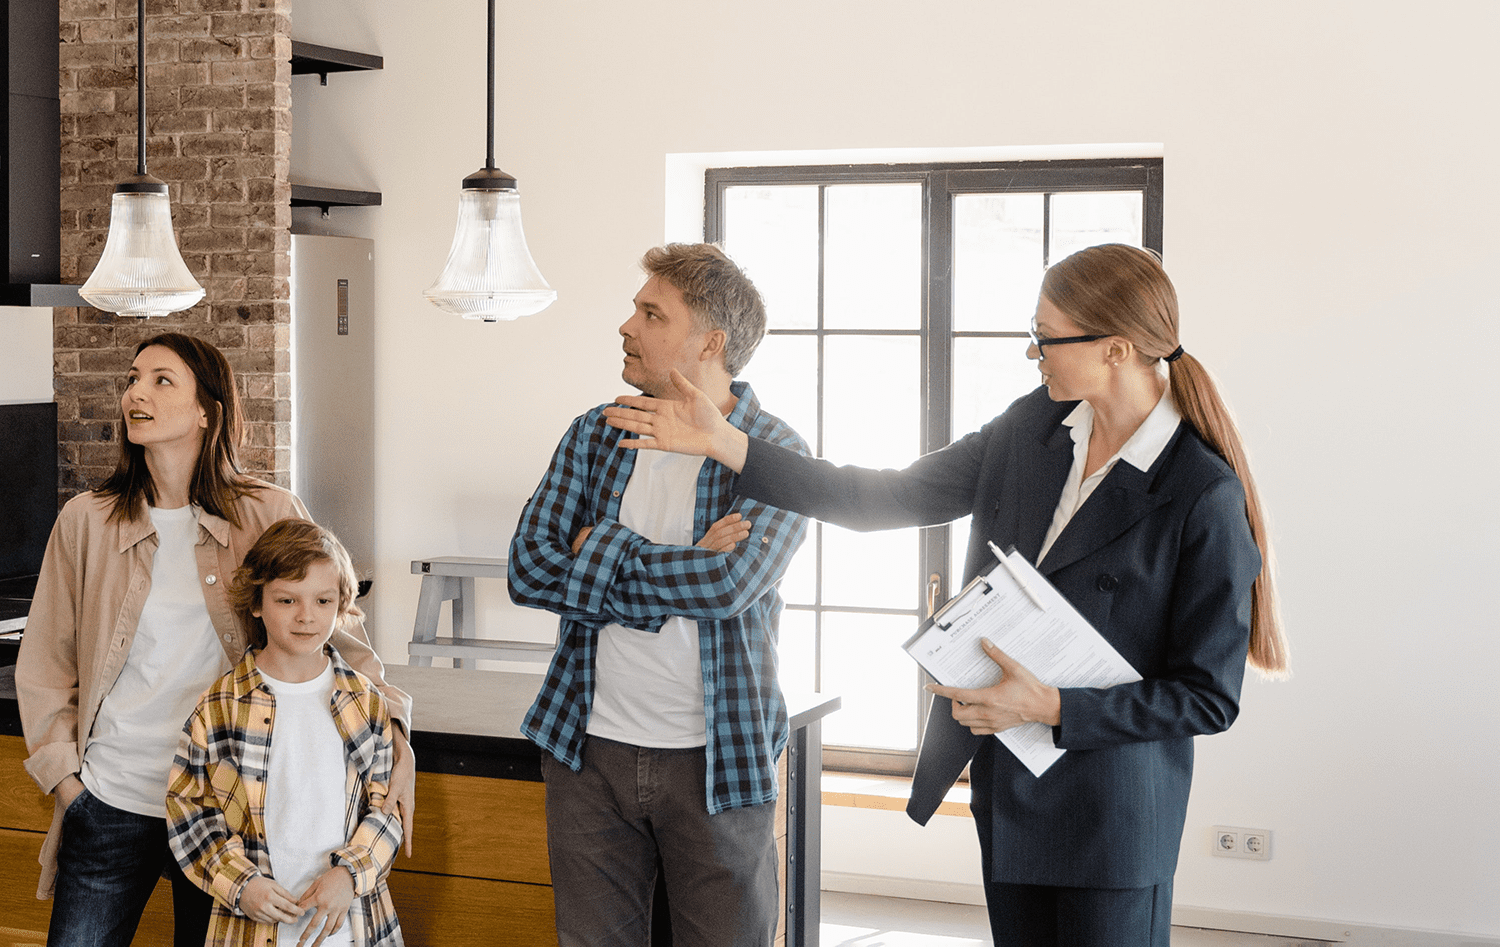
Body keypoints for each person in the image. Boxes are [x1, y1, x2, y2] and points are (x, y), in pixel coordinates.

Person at [602, 243, 1286, 947]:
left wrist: (1050, 705)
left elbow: (1207, 696)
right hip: (1011, 786)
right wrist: (730, 445)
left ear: (1116, 349)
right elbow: (887, 497)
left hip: (1113, 815)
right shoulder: (1034, 428)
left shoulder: (1199, 492)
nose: (1033, 354)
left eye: (1045, 338)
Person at [16, 333, 414, 947]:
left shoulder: (269, 511)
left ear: (208, 410)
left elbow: (342, 635)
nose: (135, 394)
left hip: (226, 816)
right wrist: (69, 787)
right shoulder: (87, 521)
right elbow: (45, 662)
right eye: (132, 378)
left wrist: (398, 735)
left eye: (161, 380)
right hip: (111, 801)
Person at [507, 243, 810, 947]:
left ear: (711, 342)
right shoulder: (596, 433)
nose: (626, 326)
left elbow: (728, 585)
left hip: (718, 754)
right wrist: (679, 562)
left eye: (651, 313)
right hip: (586, 748)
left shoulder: (773, 453)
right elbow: (528, 569)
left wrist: (599, 548)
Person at [167, 518, 403, 947]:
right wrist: (242, 885)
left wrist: (350, 875)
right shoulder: (219, 706)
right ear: (256, 603)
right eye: (287, 599)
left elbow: (386, 809)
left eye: (323, 600)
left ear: (342, 604)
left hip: (353, 929)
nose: (306, 616)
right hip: (250, 930)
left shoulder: (365, 703)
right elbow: (189, 809)